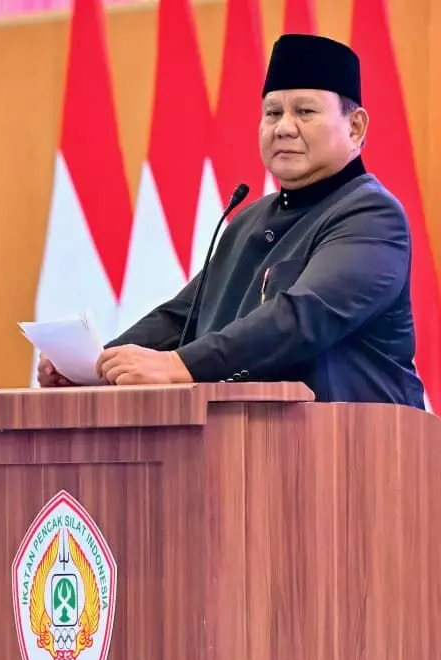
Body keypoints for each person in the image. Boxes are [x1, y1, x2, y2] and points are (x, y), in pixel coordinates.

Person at [38, 33, 426, 408]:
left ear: (355, 127)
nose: (283, 127)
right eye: (272, 113)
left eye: (304, 112)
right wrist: (98, 365)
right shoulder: (248, 219)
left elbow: (301, 318)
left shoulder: (371, 215)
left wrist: (180, 365)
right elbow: (182, 318)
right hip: (246, 440)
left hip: (354, 443)